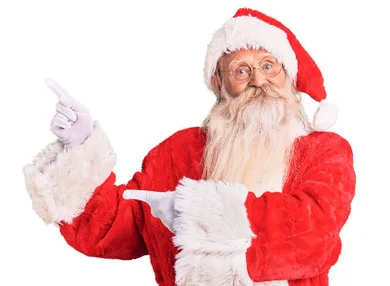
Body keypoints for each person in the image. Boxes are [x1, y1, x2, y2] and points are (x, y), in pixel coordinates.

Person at [23, 7, 356, 286]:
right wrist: (79, 148)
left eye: (268, 65)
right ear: (220, 84)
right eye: (241, 70)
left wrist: (194, 215)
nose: (258, 80)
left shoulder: (325, 151)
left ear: (288, 75)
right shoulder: (178, 152)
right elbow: (114, 229)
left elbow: (315, 236)